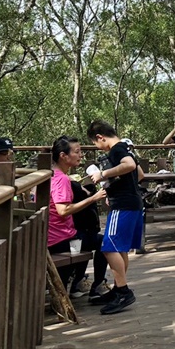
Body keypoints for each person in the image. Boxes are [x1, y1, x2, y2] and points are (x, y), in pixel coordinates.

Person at [86, 120, 142, 315]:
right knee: (120, 248)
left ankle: (124, 291)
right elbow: (139, 173)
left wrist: (104, 174)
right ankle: (119, 288)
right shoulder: (127, 147)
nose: (97, 147)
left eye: (95, 143)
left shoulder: (117, 149)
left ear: (100, 137)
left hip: (123, 205)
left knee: (108, 247)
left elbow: (129, 165)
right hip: (132, 202)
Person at [47, 136, 107, 298]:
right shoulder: (62, 180)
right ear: (63, 156)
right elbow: (63, 210)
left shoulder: (50, 174)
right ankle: (97, 287)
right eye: (77, 152)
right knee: (104, 241)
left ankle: (77, 283)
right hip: (61, 242)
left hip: (55, 238)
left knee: (85, 237)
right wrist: (93, 198)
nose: (80, 155)